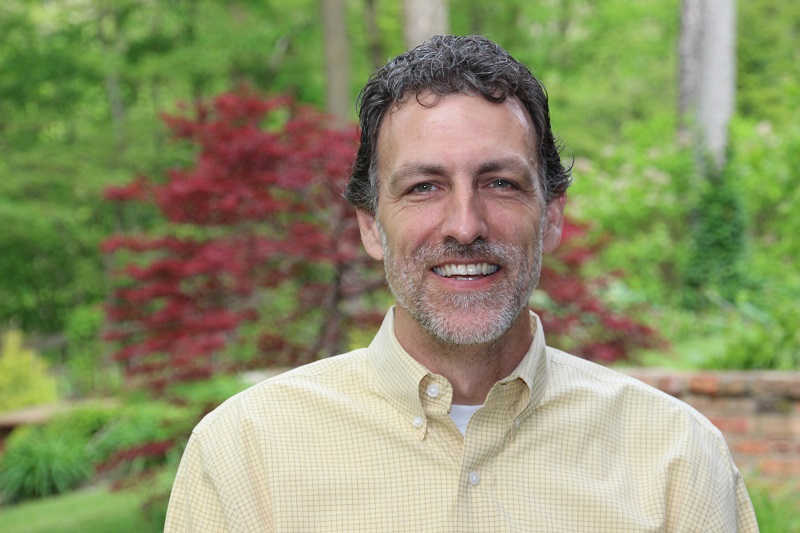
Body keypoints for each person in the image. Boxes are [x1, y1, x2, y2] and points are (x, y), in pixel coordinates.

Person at [165, 35, 758, 532]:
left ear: (551, 217)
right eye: (424, 187)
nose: (465, 226)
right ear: (371, 226)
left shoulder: (677, 460)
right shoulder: (245, 455)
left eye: (500, 183)